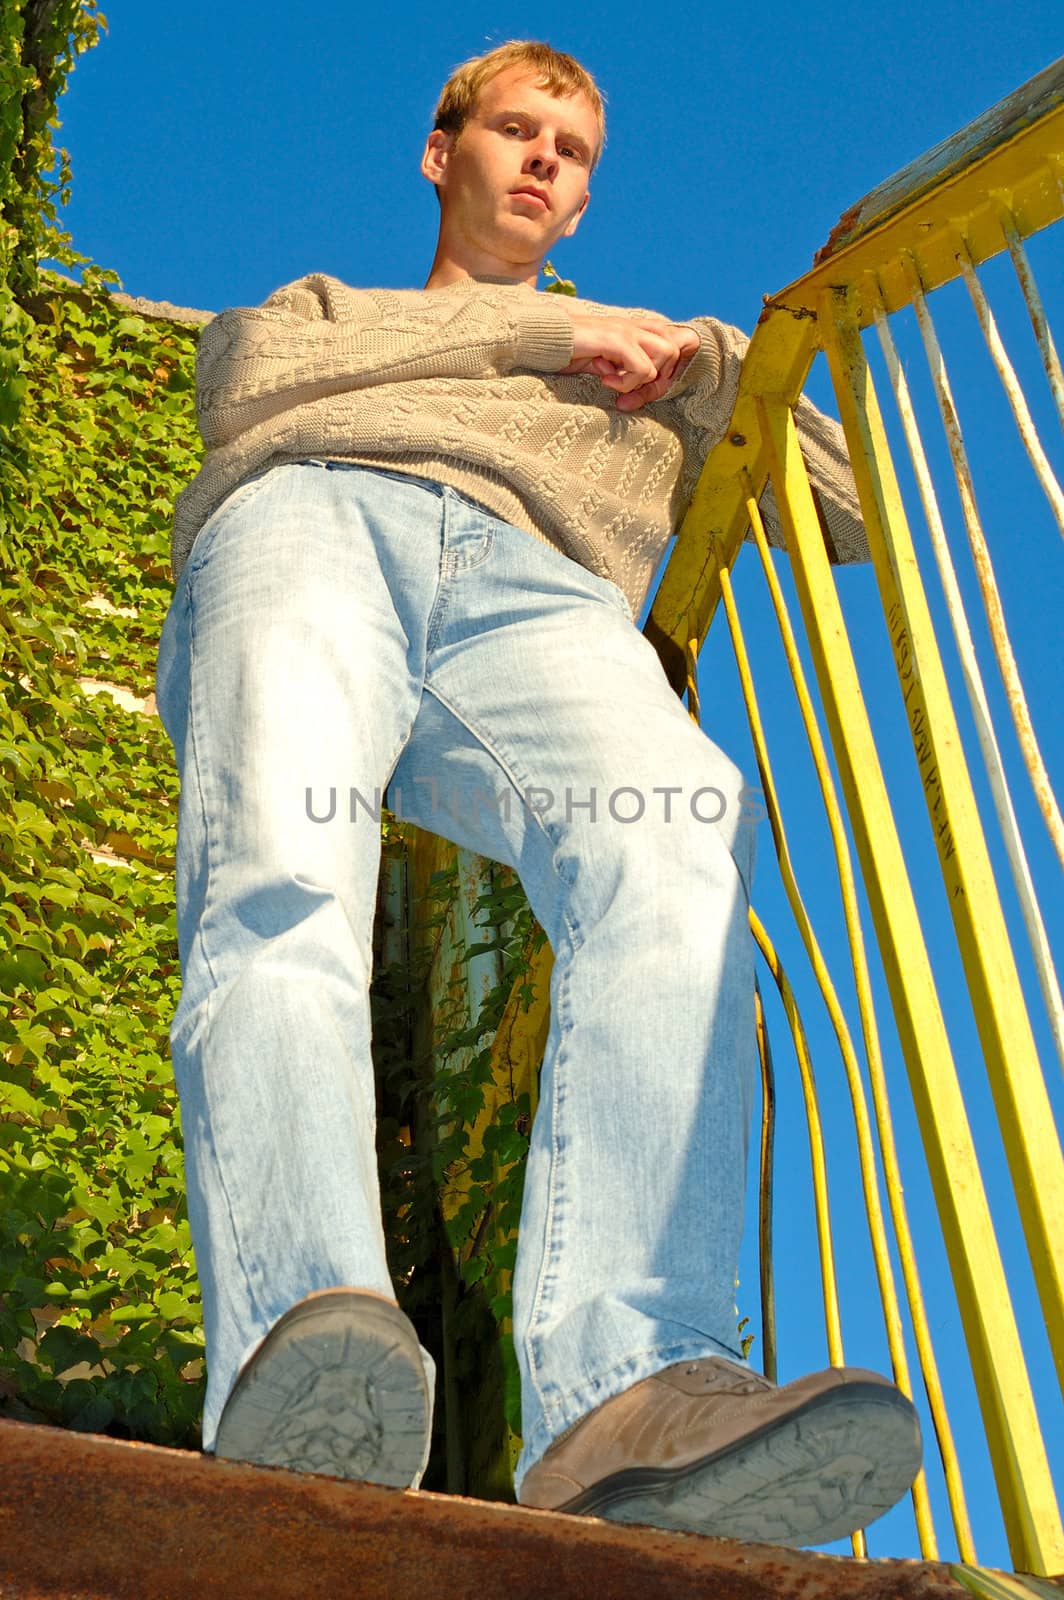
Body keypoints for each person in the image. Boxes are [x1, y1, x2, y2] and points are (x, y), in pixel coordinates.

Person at [155, 40, 921, 1547]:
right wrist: (533, 355)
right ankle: (304, 1321)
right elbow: (250, 382)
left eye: (573, 151)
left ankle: (633, 1385)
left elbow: (845, 500)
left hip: (539, 599)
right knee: (288, 871)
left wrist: (698, 366)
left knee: (683, 838)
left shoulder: (642, 366)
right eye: (518, 131)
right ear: (445, 155)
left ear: (579, 201)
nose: (546, 164)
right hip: (310, 520)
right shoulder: (332, 310)